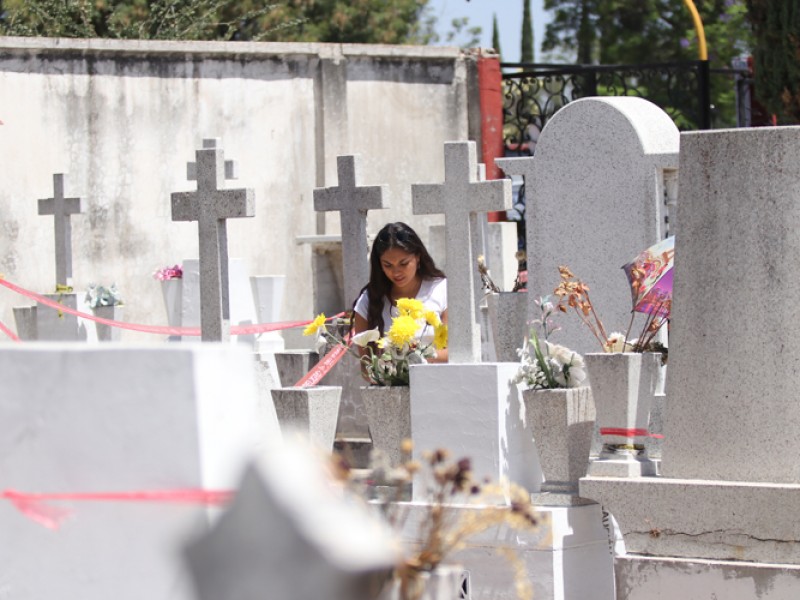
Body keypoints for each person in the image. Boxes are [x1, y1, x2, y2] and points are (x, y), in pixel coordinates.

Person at [352, 222, 448, 363]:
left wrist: (419, 358)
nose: (396, 272)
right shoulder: (368, 300)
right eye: (388, 265)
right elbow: (366, 367)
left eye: (404, 263)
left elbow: (456, 352)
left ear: (418, 257)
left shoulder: (441, 289)